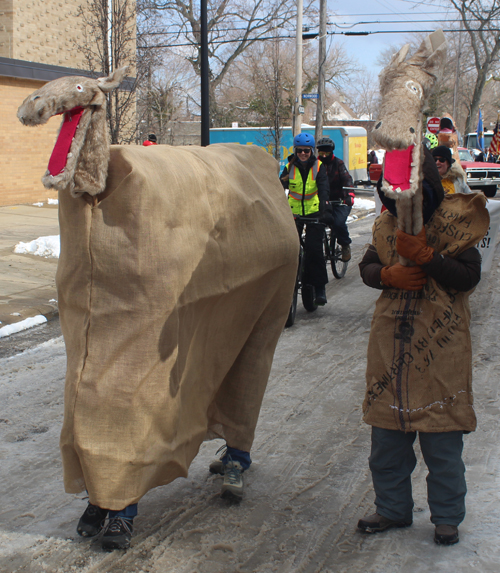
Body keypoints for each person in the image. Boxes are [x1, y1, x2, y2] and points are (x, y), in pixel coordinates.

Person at [357, 146, 489, 546]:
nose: (402, 206)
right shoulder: (384, 227)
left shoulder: (456, 222)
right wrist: (388, 274)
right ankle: (392, 509)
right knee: (387, 443)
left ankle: (446, 517)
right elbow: (366, 267)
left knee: (442, 443)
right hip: (391, 347)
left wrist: (429, 258)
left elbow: (469, 276)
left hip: (440, 350)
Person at [280, 132, 330, 305]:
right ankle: (286, 286)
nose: (303, 154)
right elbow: (279, 187)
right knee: (289, 249)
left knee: (314, 250)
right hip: (293, 213)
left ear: (311, 151)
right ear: (295, 150)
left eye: (306, 151)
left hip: (314, 213)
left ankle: (319, 288)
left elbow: (324, 188)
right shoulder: (289, 167)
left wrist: (324, 206)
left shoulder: (318, 166)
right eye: (300, 150)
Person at [316, 137, 354, 262]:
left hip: (339, 200)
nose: (324, 155)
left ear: (331, 152)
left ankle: (345, 245)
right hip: (322, 200)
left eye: (327, 152)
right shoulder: (315, 165)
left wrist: (349, 196)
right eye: (321, 153)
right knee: (316, 224)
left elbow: (347, 180)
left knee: (338, 223)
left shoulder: (338, 163)